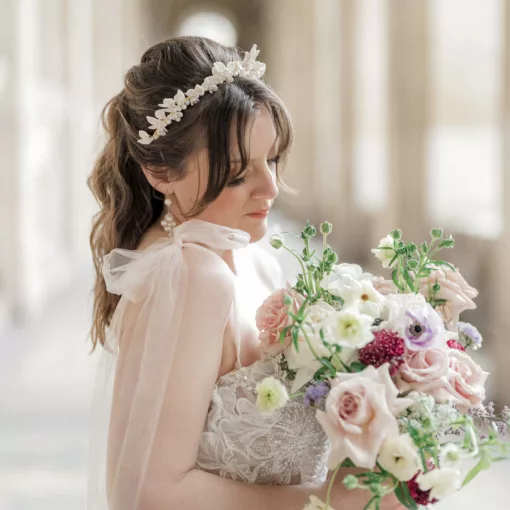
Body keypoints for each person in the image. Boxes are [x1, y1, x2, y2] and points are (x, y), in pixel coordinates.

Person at [87, 36, 401, 510]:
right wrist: (330, 501)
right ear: (158, 172)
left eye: (271, 159)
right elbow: (151, 495)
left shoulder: (237, 253)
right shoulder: (194, 275)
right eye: (237, 173)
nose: (270, 187)